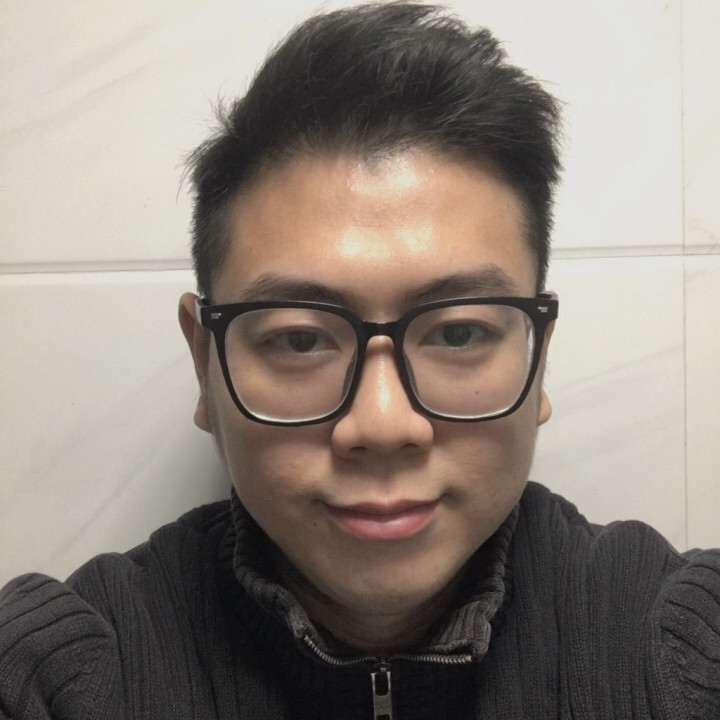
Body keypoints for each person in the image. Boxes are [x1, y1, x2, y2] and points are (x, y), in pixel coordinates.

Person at [0, 3, 718, 718]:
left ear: (539, 355)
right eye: (299, 339)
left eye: (458, 334)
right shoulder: (66, 678)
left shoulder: (678, 654)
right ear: (203, 363)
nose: (382, 426)